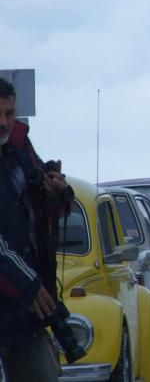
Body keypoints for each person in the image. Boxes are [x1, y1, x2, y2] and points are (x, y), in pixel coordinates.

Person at [0, 77, 73, 381]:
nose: (3, 122)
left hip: (25, 314)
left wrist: (58, 193)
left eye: (9, 114)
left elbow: (42, 209)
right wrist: (29, 284)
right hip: (22, 295)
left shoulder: (18, 152)